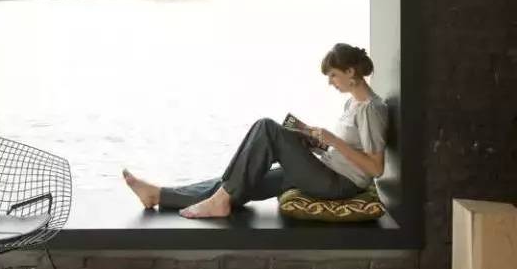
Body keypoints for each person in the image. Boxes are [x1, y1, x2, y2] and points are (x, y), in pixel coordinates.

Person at [122, 42, 388, 219]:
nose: (330, 82)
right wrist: (314, 141)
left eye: (333, 75)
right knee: (241, 181)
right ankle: (158, 194)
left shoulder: (370, 109)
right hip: (325, 170)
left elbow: (376, 168)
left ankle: (218, 202)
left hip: (339, 184)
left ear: (350, 71)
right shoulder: (352, 103)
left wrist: (332, 140)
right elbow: (347, 151)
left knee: (267, 128)